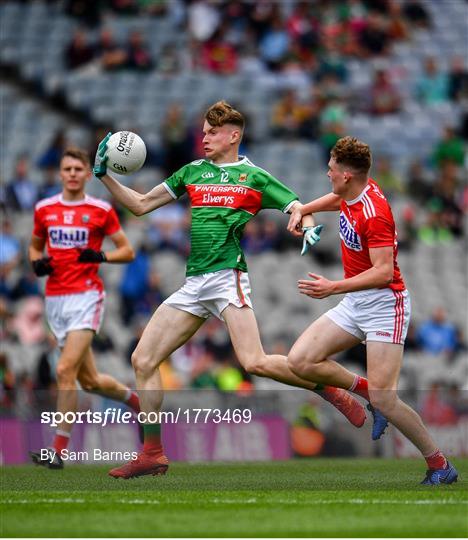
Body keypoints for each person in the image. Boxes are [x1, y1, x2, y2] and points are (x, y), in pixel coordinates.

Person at [93, 101, 368, 479]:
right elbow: (140, 205)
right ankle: (153, 452)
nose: (203, 137)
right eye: (203, 131)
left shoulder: (253, 177)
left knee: (253, 362)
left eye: (211, 132)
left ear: (233, 135)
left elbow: (296, 207)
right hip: (194, 284)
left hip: (227, 277)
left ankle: (330, 389)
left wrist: (305, 226)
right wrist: (105, 176)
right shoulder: (192, 171)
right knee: (142, 360)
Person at [286, 136, 458, 485]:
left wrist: (333, 286)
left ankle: (440, 464)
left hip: (384, 305)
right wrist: (305, 208)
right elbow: (337, 200)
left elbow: (383, 271)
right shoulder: (354, 191)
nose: (327, 171)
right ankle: (365, 393)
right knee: (300, 361)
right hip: (357, 301)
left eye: (332, 167)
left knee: (387, 398)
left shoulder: (374, 212)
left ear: (347, 175)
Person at [28, 147, 140, 470]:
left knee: (64, 370)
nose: (73, 174)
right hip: (56, 300)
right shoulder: (44, 209)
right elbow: (35, 246)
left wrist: (101, 256)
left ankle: (58, 450)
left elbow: (128, 250)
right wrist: (37, 263)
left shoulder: (101, 210)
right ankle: (136, 401)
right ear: (60, 173)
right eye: (68, 169)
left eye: (79, 169)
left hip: (87, 297)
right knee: (89, 381)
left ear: (88, 174)